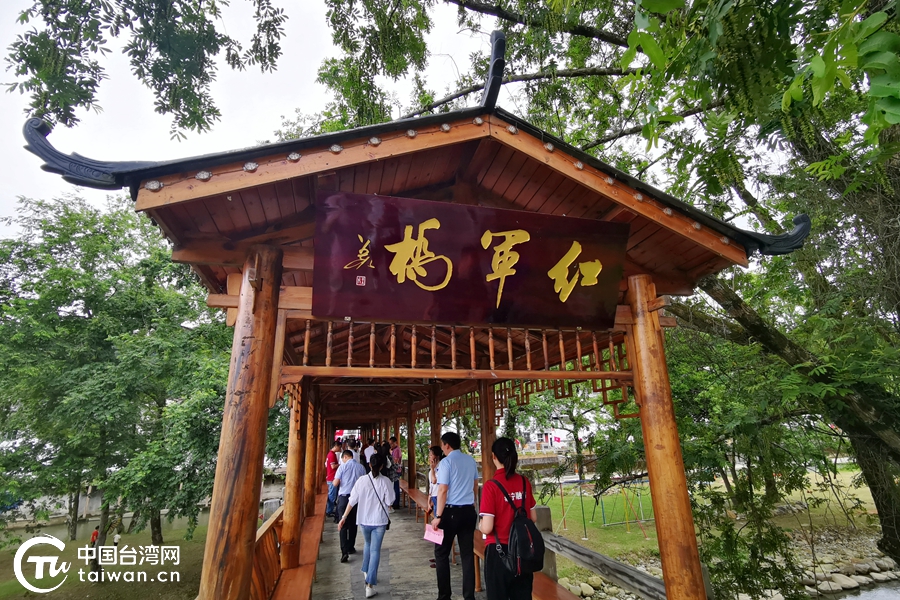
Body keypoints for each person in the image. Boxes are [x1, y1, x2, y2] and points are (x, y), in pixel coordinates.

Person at [478, 437, 537, 600]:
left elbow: (487, 528)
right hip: (523, 552)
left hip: (499, 553)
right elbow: (533, 517)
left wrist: (480, 524)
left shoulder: (491, 486)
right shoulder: (524, 482)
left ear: (494, 457)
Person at [339, 452, 395, 598]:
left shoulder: (361, 481)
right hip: (379, 521)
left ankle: (366, 570)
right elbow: (390, 502)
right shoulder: (386, 482)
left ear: (369, 465)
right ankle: (369, 586)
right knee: (375, 550)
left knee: (368, 544)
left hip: (364, 520)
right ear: (382, 466)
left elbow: (352, 500)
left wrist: (343, 517)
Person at [431, 431, 479, 600]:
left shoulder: (446, 462)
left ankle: (444, 595)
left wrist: (438, 515)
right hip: (468, 511)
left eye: (443, 445)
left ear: (447, 445)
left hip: (450, 512)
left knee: (441, 553)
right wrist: (473, 502)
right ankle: (469, 596)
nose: (442, 448)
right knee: (467, 555)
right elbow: (475, 484)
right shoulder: (470, 460)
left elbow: (443, 490)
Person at [333, 449, 366, 561]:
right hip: (356, 499)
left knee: (343, 524)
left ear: (345, 457)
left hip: (344, 497)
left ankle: (344, 551)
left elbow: (335, 483)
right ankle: (351, 547)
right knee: (353, 524)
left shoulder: (342, 467)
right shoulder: (361, 467)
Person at [428, 445, 444, 569]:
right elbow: (431, 485)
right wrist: (429, 499)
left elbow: (434, 481)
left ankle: (440, 558)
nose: (429, 457)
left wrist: (433, 469)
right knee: (435, 528)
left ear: (437, 456)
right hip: (434, 497)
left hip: (439, 498)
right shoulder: (433, 468)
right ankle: (437, 555)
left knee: (438, 527)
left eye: (431, 455)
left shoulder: (441, 467)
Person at [326, 440, 342, 517]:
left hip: (330, 476)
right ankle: (329, 511)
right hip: (332, 477)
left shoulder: (330, 454)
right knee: (332, 495)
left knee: (332, 494)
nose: (340, 448)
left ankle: (330, 509)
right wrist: (340, 465)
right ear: (336, 446)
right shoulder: (332, 455)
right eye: (339, 447)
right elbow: (333, 466)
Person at [389, 436, 402, 509]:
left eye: (392, 443)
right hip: (395, 470)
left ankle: (396, 503)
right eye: (390, 444)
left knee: (396, 487)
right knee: (394, 487)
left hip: (396, 470)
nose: (391, 445)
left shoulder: (397, 450)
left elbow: (396, 461)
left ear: (395, 443)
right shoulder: (394, 450)